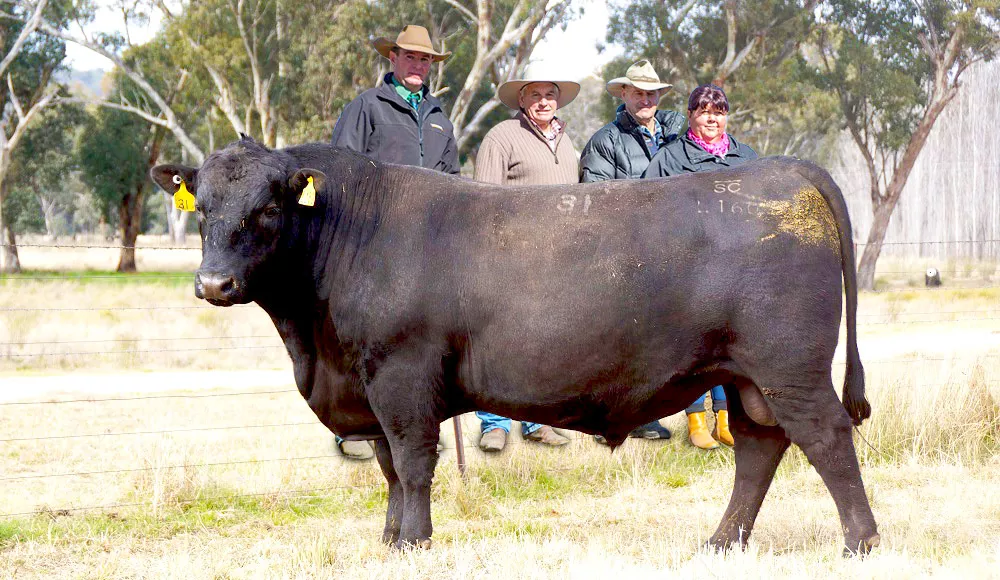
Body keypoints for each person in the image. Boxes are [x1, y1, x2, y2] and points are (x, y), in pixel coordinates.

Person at [329, 24, 459, 459]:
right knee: (367, 335)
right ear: (392, 59)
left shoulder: (440, 116)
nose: (418, 65)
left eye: (424, 59)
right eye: (410, 57)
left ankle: (417, 425)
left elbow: (454, 181)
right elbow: (340, 172)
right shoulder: (367, 107)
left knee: (423, 341)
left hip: (432, 246)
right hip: (374, 241)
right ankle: (355, 425)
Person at [643, 83, 758, 449]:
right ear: (690, 114)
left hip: (737, 269)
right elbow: (648, 208)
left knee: (730, 346)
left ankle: (725, 421)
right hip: (687, 271)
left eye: (719, 111)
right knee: (693, 349)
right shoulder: (670, 158)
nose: (712, 117)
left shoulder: (747, 157)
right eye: (704, 110)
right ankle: (695, 422)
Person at [472, 77, 581, 452]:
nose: (543, 101)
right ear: (521, 99)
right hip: (511, 256)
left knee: (545, 342)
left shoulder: (567, 140)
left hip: (559, 259)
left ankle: (540, 421)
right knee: (497, 340)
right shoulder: (501, 136)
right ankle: (494, 423)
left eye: (550, 95)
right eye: (535, 95)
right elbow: (483, 200)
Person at [580, 59, 684, 443]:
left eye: (652, 92)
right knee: (623, 338)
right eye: (638, 92)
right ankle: (615, 417)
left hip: (674, 248)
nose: (646, 98)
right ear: (623, 94)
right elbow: (595, 198)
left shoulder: (676, 132)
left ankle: (651, 412)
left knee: (665, 337)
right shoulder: (605, 141)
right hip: (625, 251)